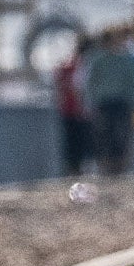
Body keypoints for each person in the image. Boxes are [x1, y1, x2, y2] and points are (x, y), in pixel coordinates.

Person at [83, 26, 134, 176]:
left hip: (123, 104)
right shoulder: (97, 59)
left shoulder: (129, 60)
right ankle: (107, 169)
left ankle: (119, 169)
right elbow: (90, 82)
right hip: (104, 103)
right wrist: (90, 102)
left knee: (122, 137)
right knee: (104, 137)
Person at [52, 41, 92, 175]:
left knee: (72, 145)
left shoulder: (66, 68)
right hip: (79, 112)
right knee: (79, 144)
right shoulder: (83, 67)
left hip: (69, 111)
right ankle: (76, 172)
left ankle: (74, 171)